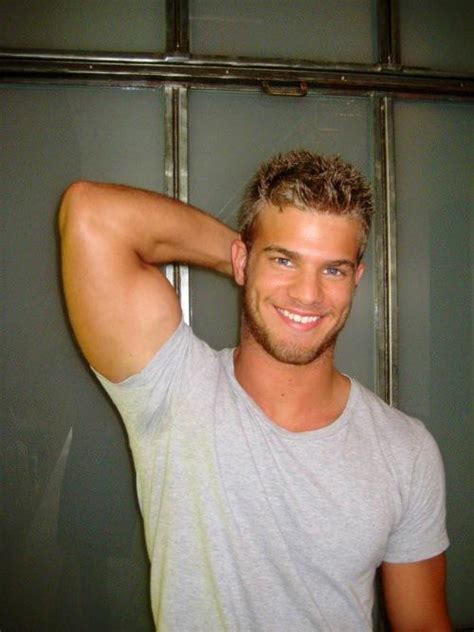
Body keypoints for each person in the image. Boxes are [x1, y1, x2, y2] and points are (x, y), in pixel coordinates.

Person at [59, 150, 451, 631]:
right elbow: (91, 212)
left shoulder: (406, 449)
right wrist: (246, 264)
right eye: (284, 260)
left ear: (357, 279)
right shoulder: (175, 391)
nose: (307, 294)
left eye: (333, 269)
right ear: (241, 260)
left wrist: (267, 266)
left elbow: (423, 622)